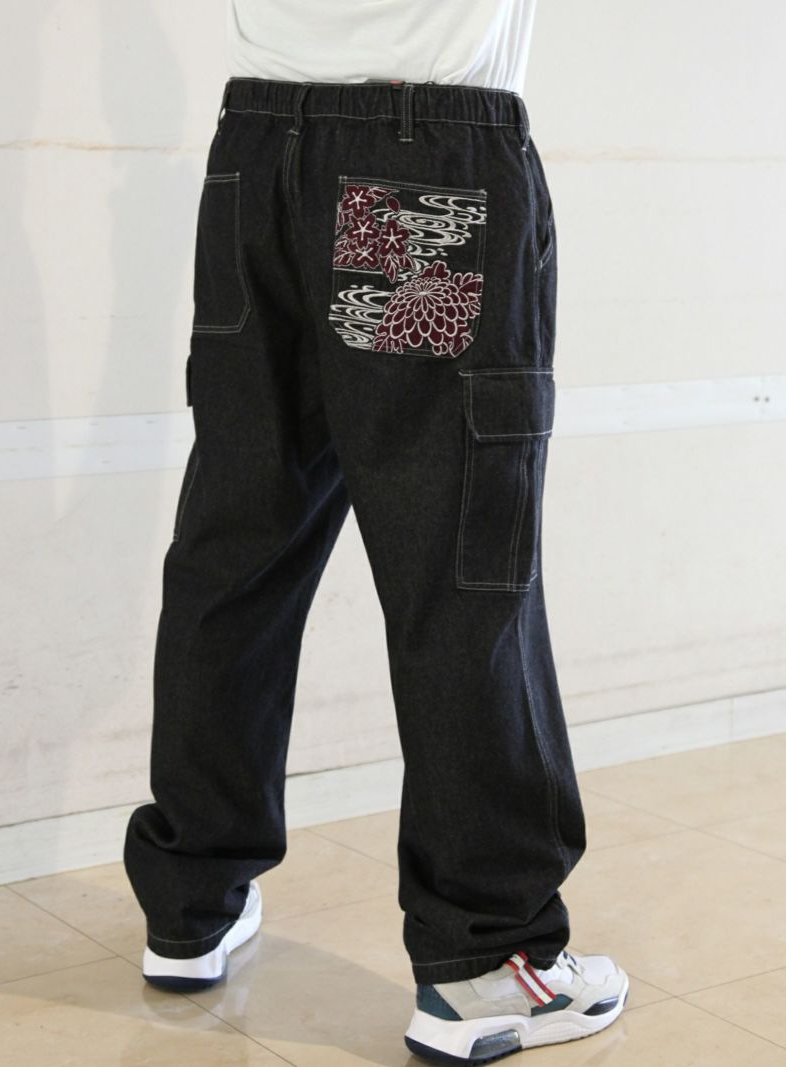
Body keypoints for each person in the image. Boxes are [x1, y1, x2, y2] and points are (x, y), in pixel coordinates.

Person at [123, 0, 629, 1061]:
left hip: (256, 160)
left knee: (236, 548)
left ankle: (192, 900)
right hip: (417, 168)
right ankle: (486, 955)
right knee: (458, 561)